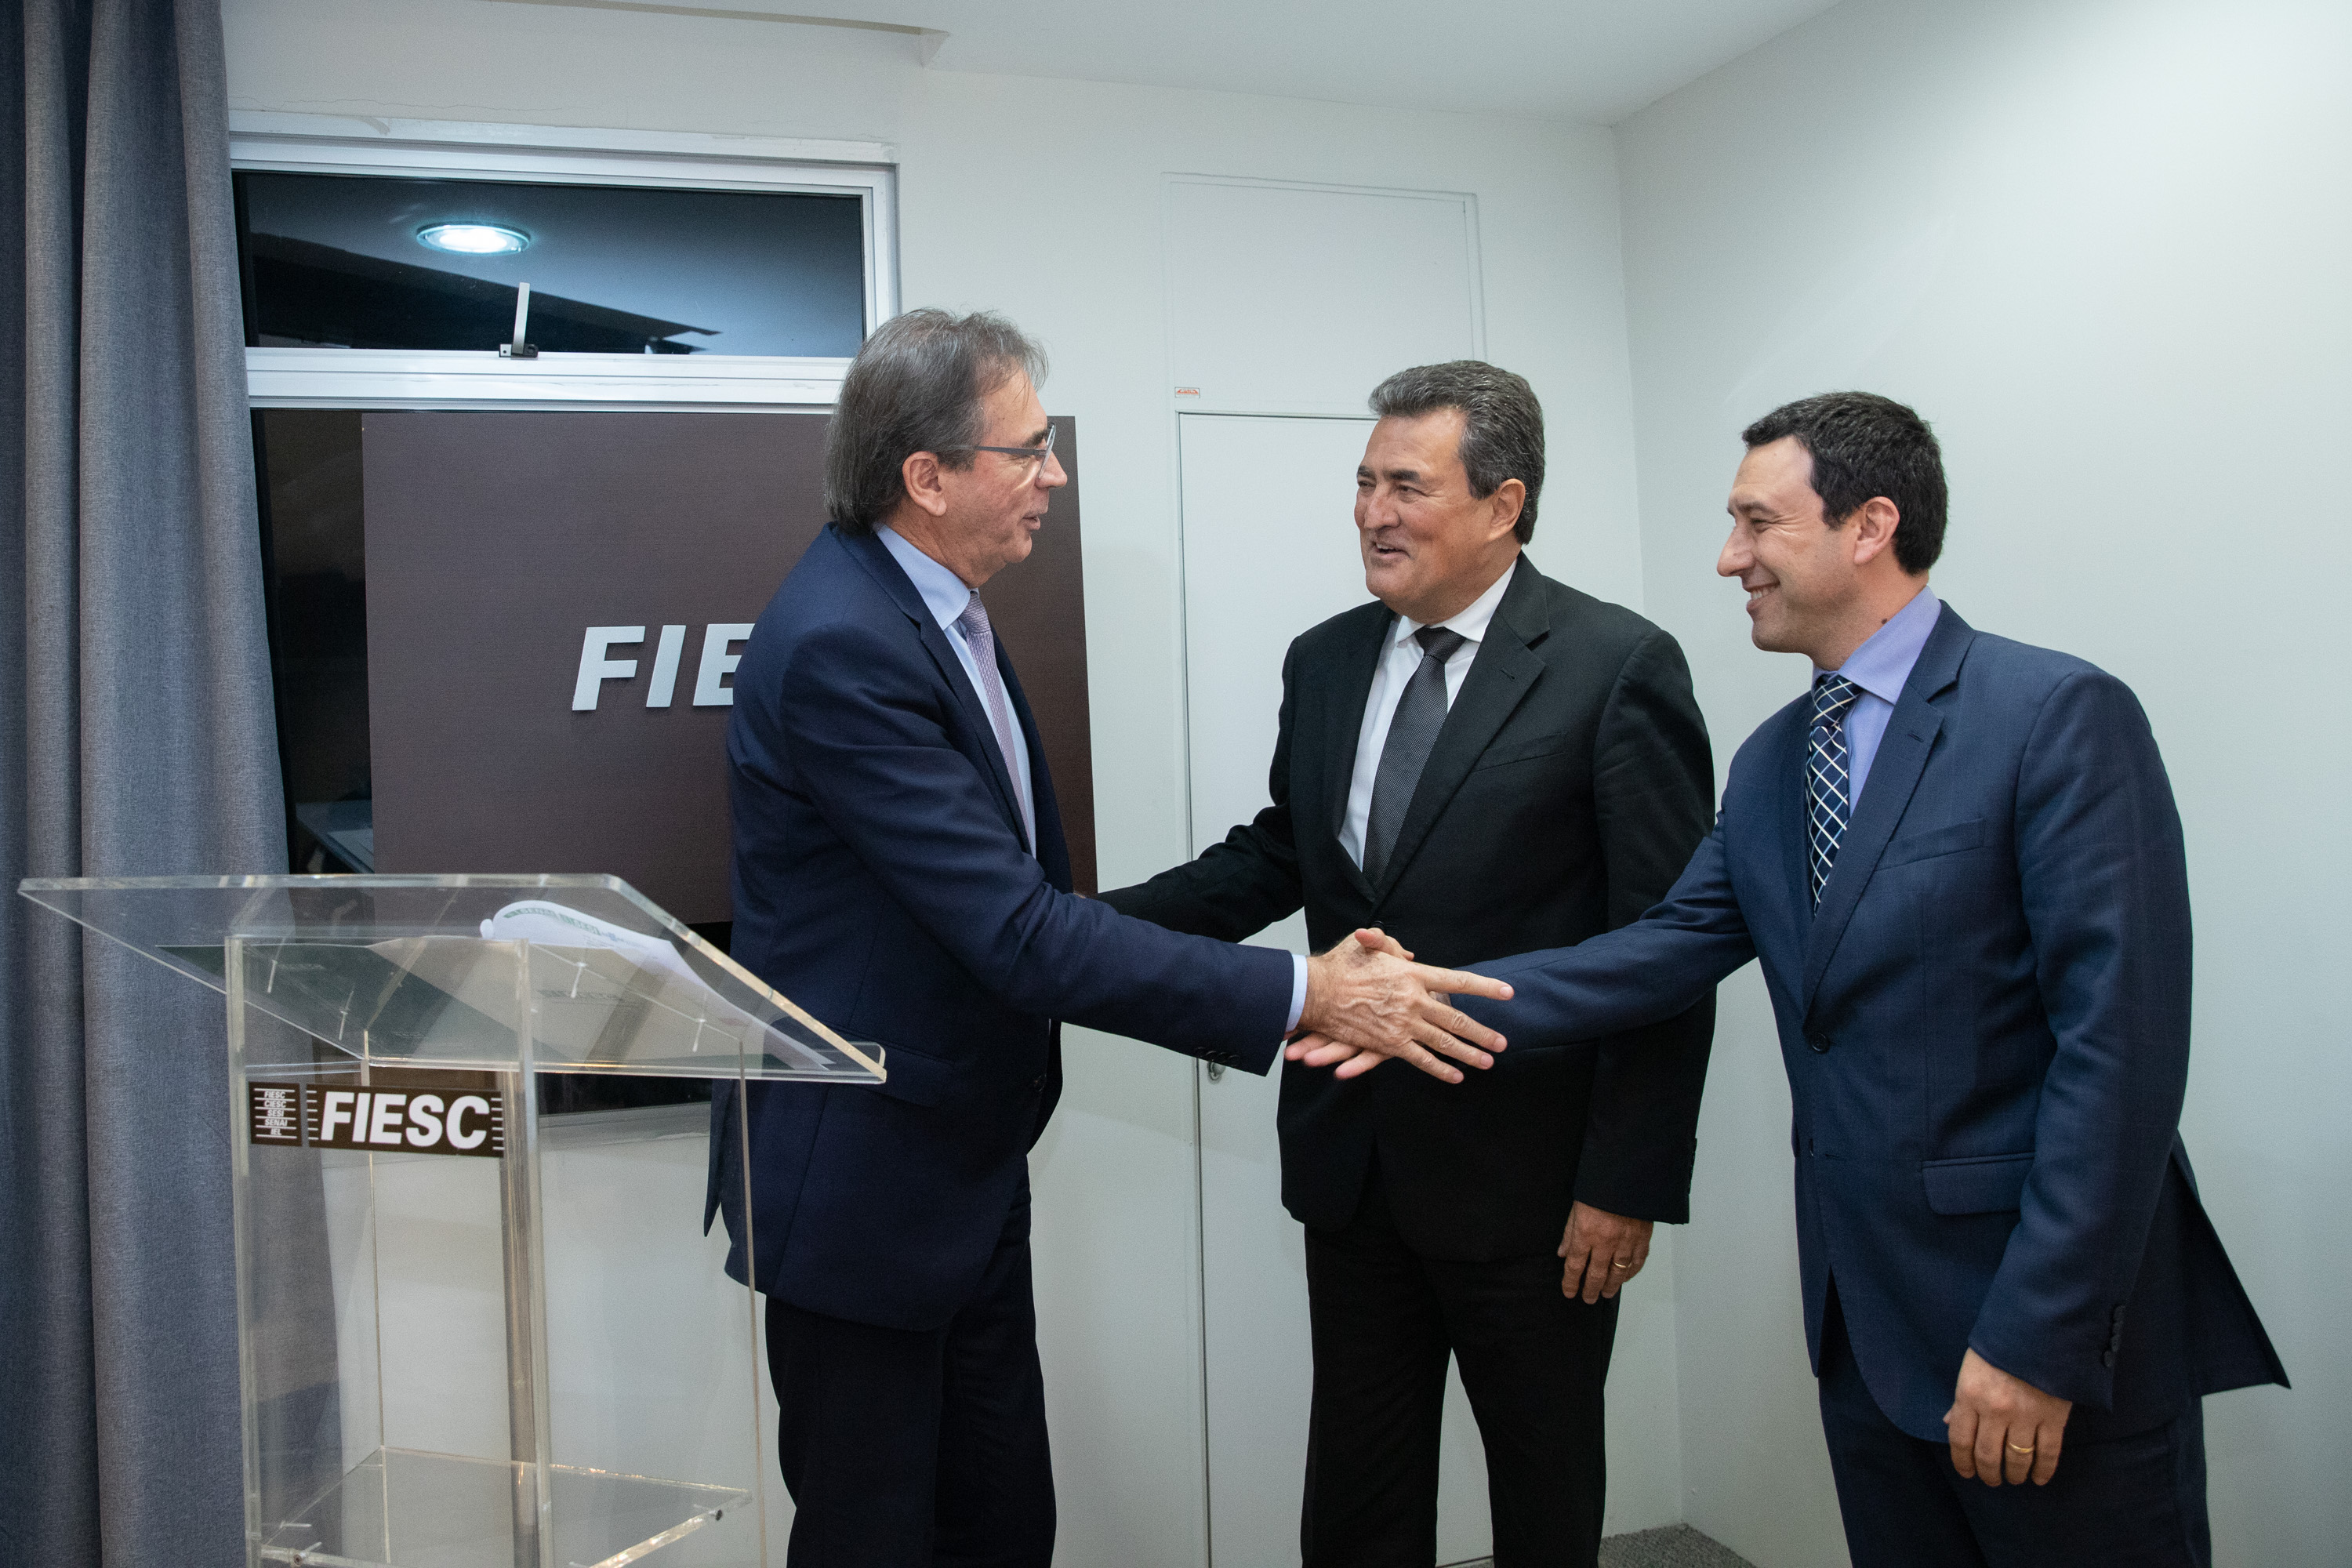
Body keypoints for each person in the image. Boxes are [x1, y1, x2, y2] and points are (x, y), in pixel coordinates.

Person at [1299, 391, 2287, 1566]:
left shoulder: (2054, 715)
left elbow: (2120, 1060)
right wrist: (1419, 998)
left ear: (1870, 526)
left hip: (2034, 1325)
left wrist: (2040, 1336)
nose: (1731, 558)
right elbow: (1660, 951)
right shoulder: (1776, 762)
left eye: (1758, 523)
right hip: (1865, 1326)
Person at [706, 308, 1512, 1568]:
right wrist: (1304, 993)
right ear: (927, 477)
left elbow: (1021, 918)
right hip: (868, 1187)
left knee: (998, 1524)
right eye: (1028, 450)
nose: (1055, 476)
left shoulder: (929, 612)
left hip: (952, 1168)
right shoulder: (844, 643)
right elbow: (1016, 934)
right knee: (877, 1534)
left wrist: (1118, 944)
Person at [1100, 361, 1715, 1568]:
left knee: (1543, 1495)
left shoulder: (1615, 664)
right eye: (1365, 483)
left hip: (1536, 1189)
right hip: (1355, 1166)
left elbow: (1670, 945)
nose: (1372, 513)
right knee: (1358, 1498)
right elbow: (1282, 855)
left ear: (1503, 504)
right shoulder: (1326, 660)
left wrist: (1627, 1181)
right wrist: (1079, 932)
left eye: (1407, 486)